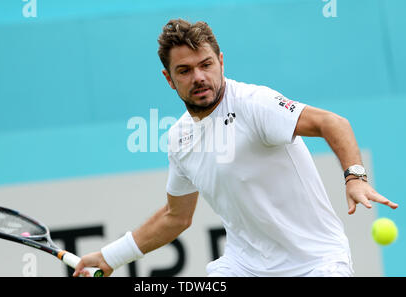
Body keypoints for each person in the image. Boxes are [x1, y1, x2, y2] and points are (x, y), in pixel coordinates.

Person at [73, 19, 398, 277]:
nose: (199, 77)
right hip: (245, 267)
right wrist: (109, 257)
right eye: (185, 71)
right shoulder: (179, 139)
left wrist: (355, 177)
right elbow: (176, 217)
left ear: (221, 61)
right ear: (169, 79)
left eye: (206, 64)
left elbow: (333, 123)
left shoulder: (256, 104)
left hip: (317, 263)